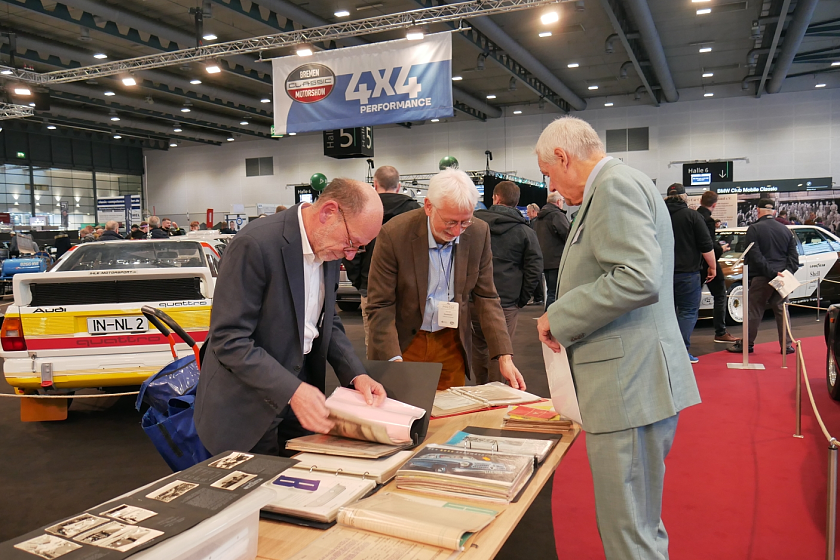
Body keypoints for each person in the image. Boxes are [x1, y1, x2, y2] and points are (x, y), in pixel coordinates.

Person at [534, 116, 700, 560]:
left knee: (628, 531)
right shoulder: (626, 183)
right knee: (637, 525)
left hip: (628, 383)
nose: (551, 187)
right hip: (636, 380)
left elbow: (637, 278)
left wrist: (560, 315)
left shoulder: (613, 187)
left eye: (548, 174)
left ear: (563, 158)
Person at [195, 179, 387, 456]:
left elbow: (324, 321)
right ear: (328, 212)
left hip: (301, 399)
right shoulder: (255, 244)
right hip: (246, 406)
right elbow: (229, 339)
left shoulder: (328, 246)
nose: (350, 254)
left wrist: (355, 373)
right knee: (253, 494)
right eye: (351, 242)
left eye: (359, 248)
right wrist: (292, 390)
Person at [366, 168, 526, 392]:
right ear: (429, 206)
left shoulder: (479, 232)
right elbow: (380, 305)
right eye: (451, 222)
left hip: (451, 342)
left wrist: (504, 356)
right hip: (403, 341)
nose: (458, 231)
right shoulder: (394, 234)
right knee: (404, 412)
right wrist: (394, 361)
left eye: (465, 222)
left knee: (450, 417)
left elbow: (486, 296)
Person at [471, 181, 543, 384]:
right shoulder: (526, 232)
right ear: (517, 202)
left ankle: (481, 389)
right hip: (507, 301)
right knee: (502, 351)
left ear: (495, 197)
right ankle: (495, 397)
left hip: (474, 298)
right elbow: (534, 267)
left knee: (478, 347)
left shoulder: (474, 225)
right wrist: (522, 298)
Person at [343, 165, 420, 348]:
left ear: (375, 184)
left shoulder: (363, 209)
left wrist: (359, 282)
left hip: (370, 286)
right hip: (407, 288)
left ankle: (377, 377)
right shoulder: (415, 211)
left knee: (375, 341)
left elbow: (350, 249)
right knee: (408, 341)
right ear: (399, 186)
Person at [728, 199, 799, 355]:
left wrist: (771, 273)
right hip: (782, 276)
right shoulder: (785, 230)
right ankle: (786, 345)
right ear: (773, 212)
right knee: (782, 309)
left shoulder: (754, 229)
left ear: (758, 211)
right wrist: (785, 273)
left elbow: (755, 255)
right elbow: (794, 256)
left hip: (762, 276)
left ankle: (747, 344)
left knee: (755, 310)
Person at [665, 183, 716, 363]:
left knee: (665, 313)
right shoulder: (692, 216)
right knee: (687, 312)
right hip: (688, 273)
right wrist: (713, 266)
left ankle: (665, 354)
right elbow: (706, 245)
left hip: (662, 274)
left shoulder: (658, 216)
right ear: (684, 197)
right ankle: (681, 352)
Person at [697, 190, 737, 344]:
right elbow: (707, 244)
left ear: (700, 201)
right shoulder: (708, 220)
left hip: (693, 264)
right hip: (707, 263)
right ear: (714, 204)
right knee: (720, 295)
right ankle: (720, 331)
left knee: (691, 300)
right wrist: (721, 250)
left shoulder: (693, 216)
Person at [533, 191, 571, 309]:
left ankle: (548, 318)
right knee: (555, 293)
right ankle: (549, 320)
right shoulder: (557, 215)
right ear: (559, 202)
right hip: (557, 260)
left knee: (551, 291)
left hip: (543, 260)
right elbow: (567, 235)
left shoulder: (538, 219)